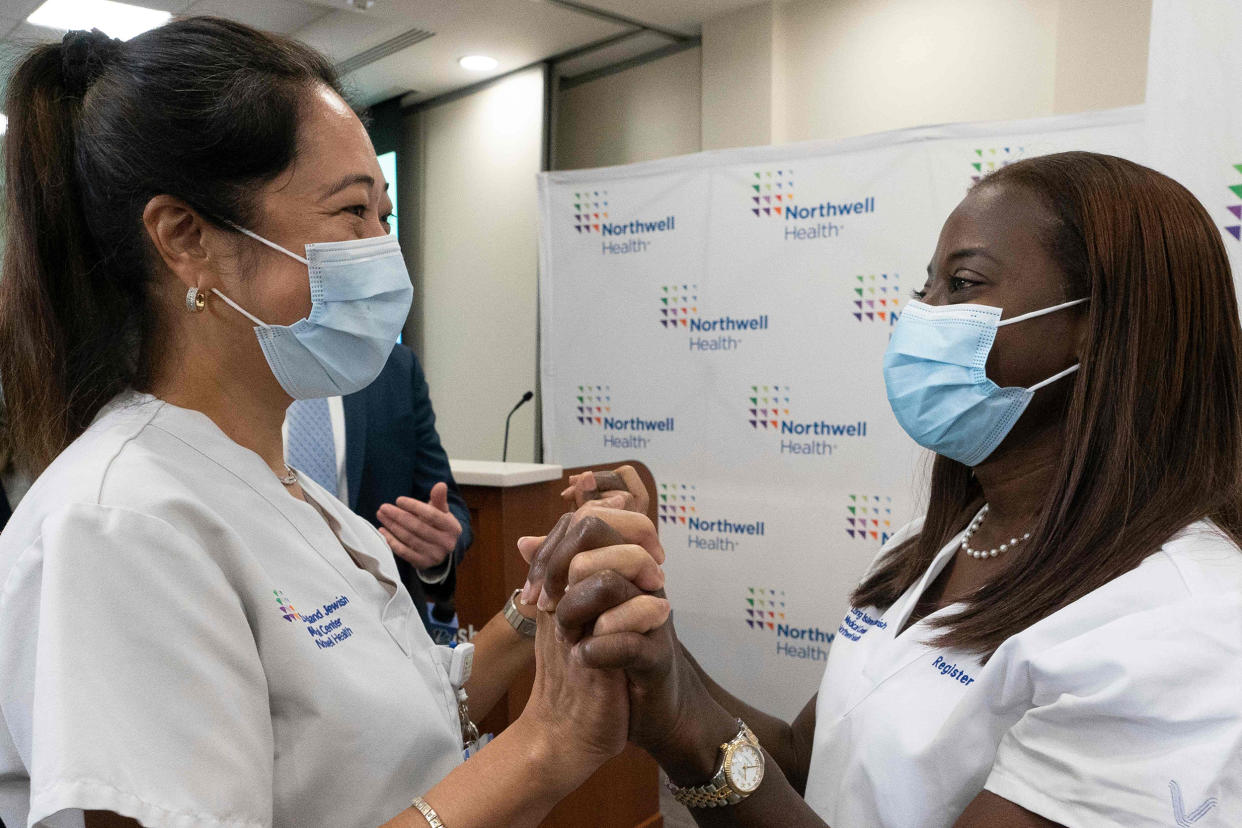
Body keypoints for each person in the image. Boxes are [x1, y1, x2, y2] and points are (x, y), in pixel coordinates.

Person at [0, 19, 666, 828]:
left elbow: (379, 723)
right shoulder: (120, 527)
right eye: (352, 211)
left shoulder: (273, 480)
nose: (383, 252)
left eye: (384, 214)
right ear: (186, 239)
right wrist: (544, 750)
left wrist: (536, 609)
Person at [528, 152, 1242, 827]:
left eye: (961, 285)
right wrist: (656, 649)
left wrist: (692, 735)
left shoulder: (1180, 621)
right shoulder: (942, 541)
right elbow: (812, 764)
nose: (920, 316)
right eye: (925, 286)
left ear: (1100, 325)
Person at [284, 342, 473, 633]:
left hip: (386, 626)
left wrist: (436, 549)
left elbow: (445, 503)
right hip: (269, 619)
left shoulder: (391, 365)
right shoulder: (216, 364)